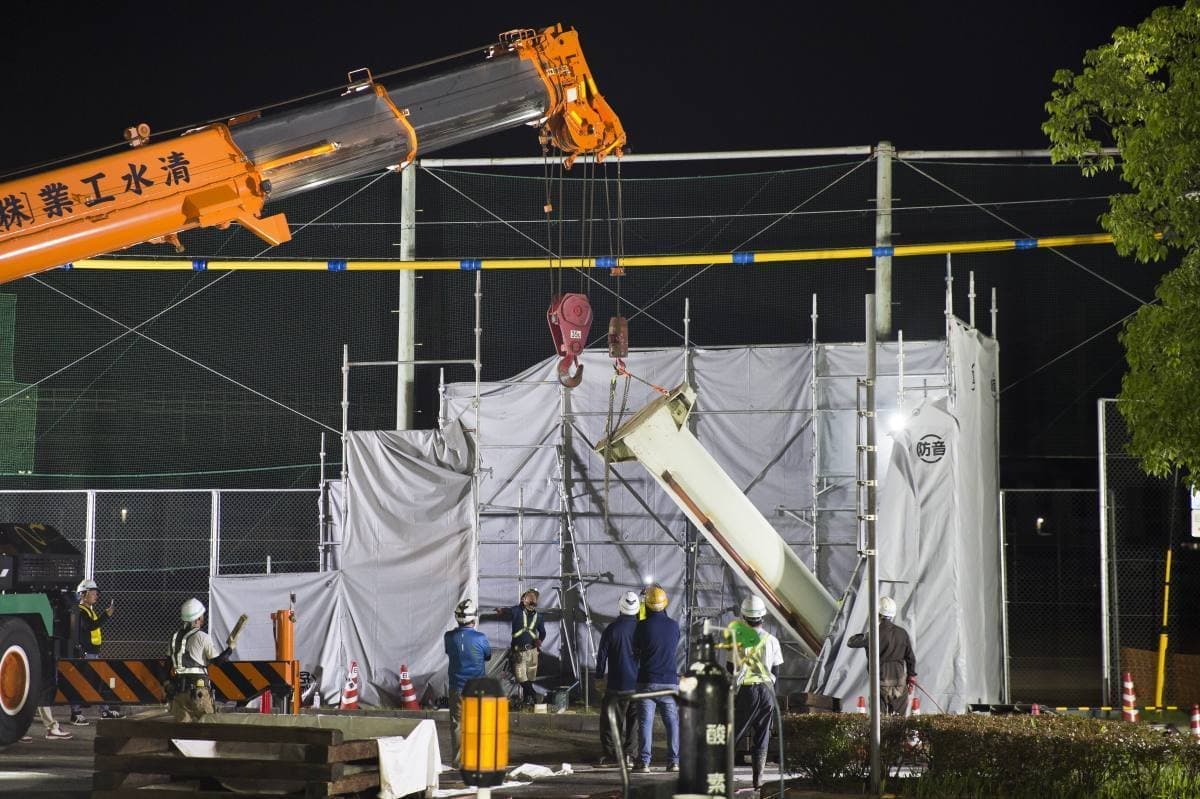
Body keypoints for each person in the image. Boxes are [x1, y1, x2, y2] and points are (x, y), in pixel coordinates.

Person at [730, 595, 784, 790]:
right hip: (767, 692)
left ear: (744, 617)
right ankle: (757, 781)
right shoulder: (772, 640)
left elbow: (731, 667)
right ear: (763, 617)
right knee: (762, 736)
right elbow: (777, 671)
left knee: (734, 734)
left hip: (748, 692)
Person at [631, 585, 680, 774]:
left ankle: (644, 762)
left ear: (647, 605)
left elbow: (635, 649)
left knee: (645, 723)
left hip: (647, 680)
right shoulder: (674, 626)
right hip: (669, 681)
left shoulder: (642, 626)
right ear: (665, 603)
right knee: (672, 722)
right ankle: (674, 762)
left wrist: (642, 609)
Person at [847, 595, 917, 715]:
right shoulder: (902, 633)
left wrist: (866, 634)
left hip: (879, 683)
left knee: (880, 723)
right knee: (899, 722)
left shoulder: (873, 634)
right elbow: (911, 658)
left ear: (877, 613)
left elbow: (851, 642)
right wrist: (911, 676)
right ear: (893, 614)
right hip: (899, 682)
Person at [168, 597, 235, 722]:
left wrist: (167, 685)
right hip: (198, 693)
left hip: (178, 693)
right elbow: (218, 661)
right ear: (198, 618)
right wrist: (230, 648)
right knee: (207, 725)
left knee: (181, 731)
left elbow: (167, 664)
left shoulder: (174, 638)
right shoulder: (202, 637)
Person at [594, 590, 640, 768]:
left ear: (620, 606)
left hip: (616, 685)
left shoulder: (611, 629)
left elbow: (602, 656)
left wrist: (599, 676)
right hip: (638, 685)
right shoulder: (642, 629)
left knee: (610, 721)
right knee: (634, 723)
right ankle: (630, 755)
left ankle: (613, 755)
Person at [444, 599, 491, 768]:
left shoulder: (449, 637)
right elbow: (487, 655)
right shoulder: (481, 638)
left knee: (457, 724)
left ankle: (458, 761)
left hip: (456, 687)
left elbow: (449, 652)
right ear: (474, 619)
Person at [70, 578, 122, 725]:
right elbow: (91, 626)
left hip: (92, 653)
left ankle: (104, 710)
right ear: (83, 594)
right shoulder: (80, 611)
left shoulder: (87, 611)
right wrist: (106, 615)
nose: (96, 595)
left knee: (98, 681)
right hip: (86, 654)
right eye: (93, 592)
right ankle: (76, 713)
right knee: (81, 682)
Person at [495, 588, 546, 707]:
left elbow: (542, 632)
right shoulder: (517, 611)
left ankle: (528, 700)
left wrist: (540, 640)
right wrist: (502, 611)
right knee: (521, 677)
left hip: (533, 652)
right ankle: (535, 695)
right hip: (519, 652)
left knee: (530, 677)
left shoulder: (538, 617)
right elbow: (509, 611)